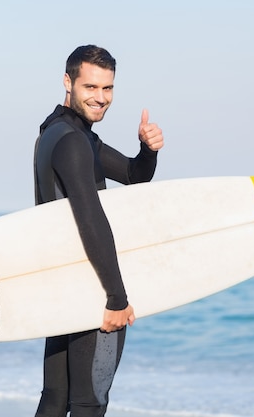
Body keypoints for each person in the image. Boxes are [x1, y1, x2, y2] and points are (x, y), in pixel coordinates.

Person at [33, 45, 164, 417]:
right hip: (91, 288)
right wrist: (116, 299)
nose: (100, 98)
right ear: (68, 82)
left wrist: (148, 149)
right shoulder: (74, 142)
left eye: (107, 89)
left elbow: (133, 175)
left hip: (61, 284)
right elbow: (91, 219)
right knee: (90, 402)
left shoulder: (58, 134)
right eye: (91, 87)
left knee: (56, 399)